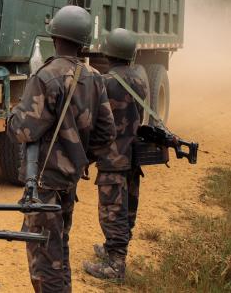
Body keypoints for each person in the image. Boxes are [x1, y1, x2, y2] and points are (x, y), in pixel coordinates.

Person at [7, 5, 120, 292]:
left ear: (55, 35)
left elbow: (23, 130)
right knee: (59, 247)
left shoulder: (46, 76)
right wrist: (79, 157)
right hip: (68, 179)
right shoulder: (94, 77)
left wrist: (11, 117)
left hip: (44, 180)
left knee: (45, 255)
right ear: (82, 41)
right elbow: (107, 132)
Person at [82, 28, 148, 282]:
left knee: (112, 210)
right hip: (132, 154)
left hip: (112, 157)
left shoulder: (105, 82)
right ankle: (113, 250)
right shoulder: (140, 79)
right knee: (128, 206)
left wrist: (86, 155)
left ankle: (115, 265)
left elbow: (94, 123)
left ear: (108, 53)